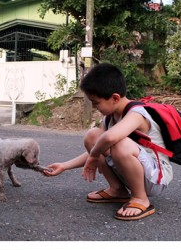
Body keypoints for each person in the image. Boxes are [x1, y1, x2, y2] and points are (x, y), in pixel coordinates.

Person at [43, 62, 173, 220]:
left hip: (155, 178)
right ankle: (117, 189)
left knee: (118, 143)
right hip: (136, 172)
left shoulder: (137, 114)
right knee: (93, 137)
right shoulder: (109, 118)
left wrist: (93, 156)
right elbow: (97, 146)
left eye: (96, 103)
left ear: (115, 98)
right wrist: (64, 166)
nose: (95, 107)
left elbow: (110, 139)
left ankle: (140, 198)